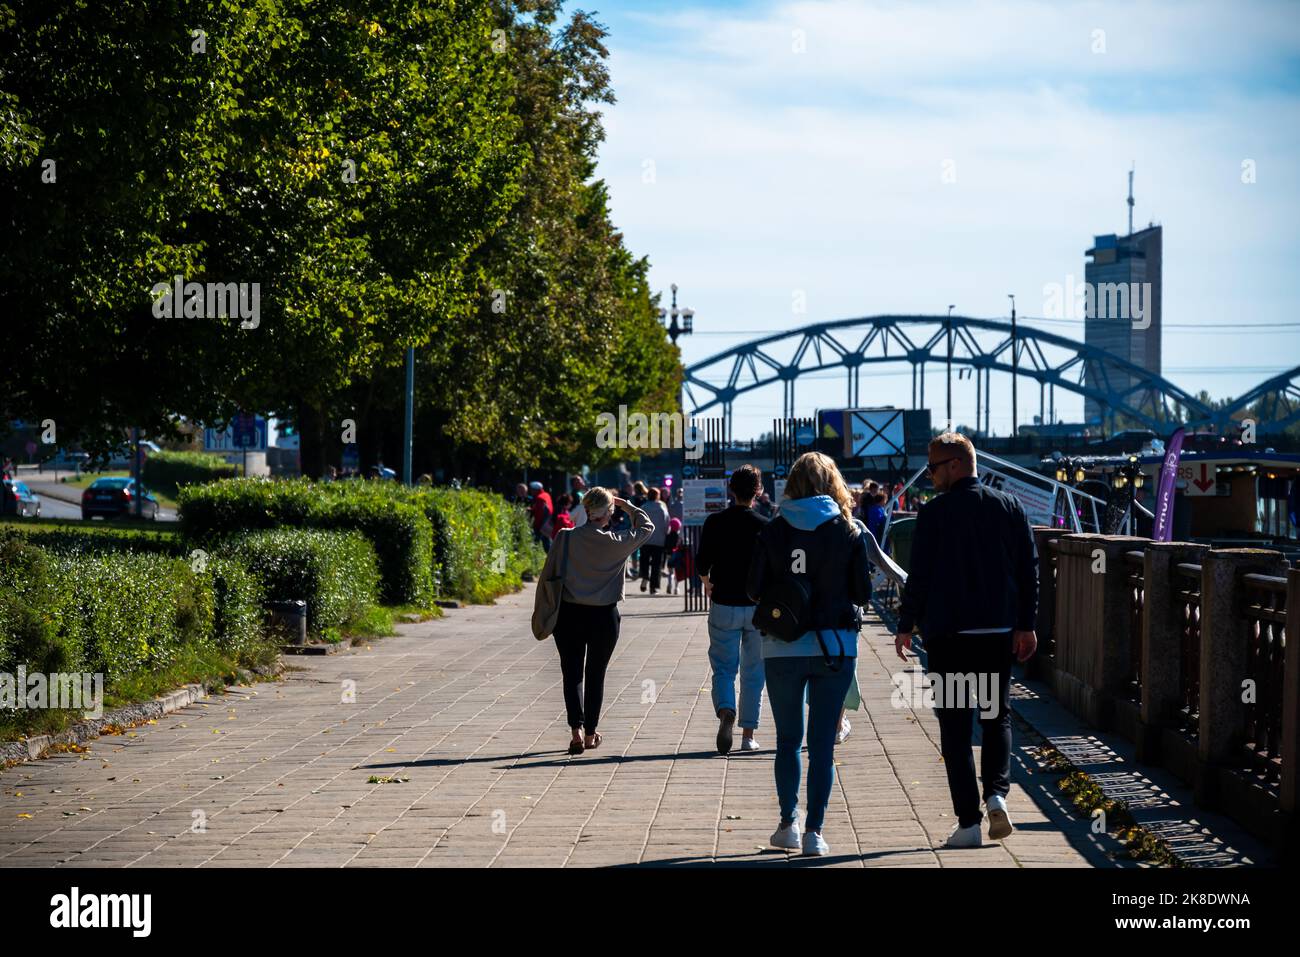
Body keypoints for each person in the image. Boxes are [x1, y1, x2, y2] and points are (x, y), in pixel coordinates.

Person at [895, 432, 1038, 849]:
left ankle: (968, 824)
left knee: (956, 729)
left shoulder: (934, 514)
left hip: (949, 639)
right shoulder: (1010, 508)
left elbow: (918, 575)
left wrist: (905, 624)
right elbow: (1029, 569)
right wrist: (1026, 624)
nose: (930, 476)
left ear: (956, 464)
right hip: (996, 636)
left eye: (934, 468)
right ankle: (997, 793)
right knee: (996, 718)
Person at [748, 452, 873, 857]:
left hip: (782, 646)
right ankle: (814, 834)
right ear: (833, 483)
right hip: (834, 648)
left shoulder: (772, 530)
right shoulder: (848, 531)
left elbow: (753, 590)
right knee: (823, 745)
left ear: (792, 485)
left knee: (787, 740)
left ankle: (787, 822)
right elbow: (862, 594)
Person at [538, 488, 654, 754]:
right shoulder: (618, 541)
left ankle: (576, 730)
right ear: (609, 512)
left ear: (587, 510)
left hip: (568, 614)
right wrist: (626, 505)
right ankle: (591, 733)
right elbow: (647, 526)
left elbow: (549, 573)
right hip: (604, 616)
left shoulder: (565, 538)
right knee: (596, 674)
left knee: (572, 674)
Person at [696, 465, 768, 755]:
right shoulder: (766, 524)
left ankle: (726, 708)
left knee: (724, 668)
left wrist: (707, 583)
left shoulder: (715, 522)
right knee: (754, 672)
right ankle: (748, 735)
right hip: (756, 607)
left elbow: (702, 564)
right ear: (758, 491)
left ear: (730, 489)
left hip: (723, 603)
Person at [639, 487, 670, 594]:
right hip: (659, 540)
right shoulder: (662, 508)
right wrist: (665, 533)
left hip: (645, 539)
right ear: (658, 496)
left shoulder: (643, 507)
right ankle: (653, 587)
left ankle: (645, 577)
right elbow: (667, 524)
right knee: (656, 564)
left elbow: (638, 522)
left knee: (644, 561)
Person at [528, 480, 554, 553]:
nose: (531, 491)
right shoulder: (546, 495)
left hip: (542, 523)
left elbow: (539, 514)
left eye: (532, 489)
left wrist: (536, 525)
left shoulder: (539, 498)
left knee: (540, 542)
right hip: (548, 522)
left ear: (535, 490)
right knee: (548, 540)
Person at [663, 517, 682, 595]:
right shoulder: (678, 537)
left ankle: (669, 584)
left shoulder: (667, 536)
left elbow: (665, 546)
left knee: (670, 572)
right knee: (676, 572)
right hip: (677, 555)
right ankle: (676, 588)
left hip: (669, 555)